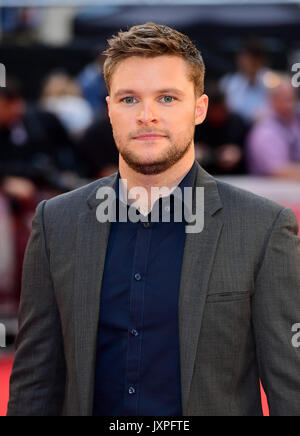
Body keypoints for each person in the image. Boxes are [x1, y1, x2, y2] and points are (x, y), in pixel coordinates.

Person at [7, 23, 300, 416]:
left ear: (199, 109)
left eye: (166, 98)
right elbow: (34, 384)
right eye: (129, 99)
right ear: (109, 109)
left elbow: (290, 389)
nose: (146, 115)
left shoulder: (262, 229)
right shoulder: (56, 224)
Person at [246, 76, 300, 180]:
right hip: (265, 192)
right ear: (272, 100)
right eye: (285, 100)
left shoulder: (295, 124)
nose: (289, 105)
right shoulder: (264, 129)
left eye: (292, 99)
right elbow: (276, 170)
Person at [220, 40, 270, 125]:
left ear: (262, 60)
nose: (251, 62)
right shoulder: (228, 82)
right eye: (248, 57)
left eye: (255, 57)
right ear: (239, 59)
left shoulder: (272, 80)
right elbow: (229, 110)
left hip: (265, 129)